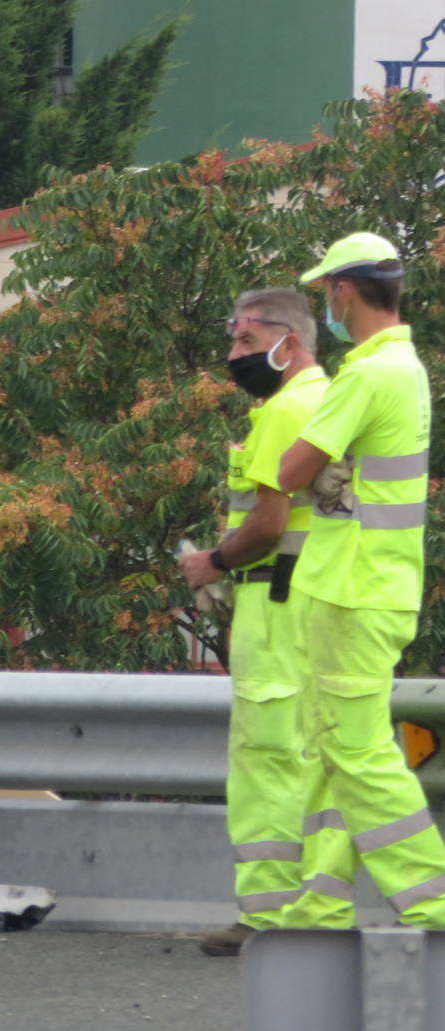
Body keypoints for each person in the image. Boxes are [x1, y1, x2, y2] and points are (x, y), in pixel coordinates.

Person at [277, 231, 445, 928]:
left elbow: (288, 470)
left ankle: (433, 898)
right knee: (334, 747)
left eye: (327, 293)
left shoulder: (367, 373)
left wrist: (317, 470)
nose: (328, 306)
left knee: (357, 751)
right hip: (371, 585)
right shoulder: (403, 367)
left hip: (352, 590)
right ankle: (321, 901)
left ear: (344, 290)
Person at [179, 288, 329, 956]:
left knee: (266, 759)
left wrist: (212, 561)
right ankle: (311, 909)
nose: (232, 354)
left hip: (276, 602)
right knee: (310, 757)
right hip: (318, 600)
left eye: (244, 341)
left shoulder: (284, 409)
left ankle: (268, 917)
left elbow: (266, 525)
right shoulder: (330, 397)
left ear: (286, 342)